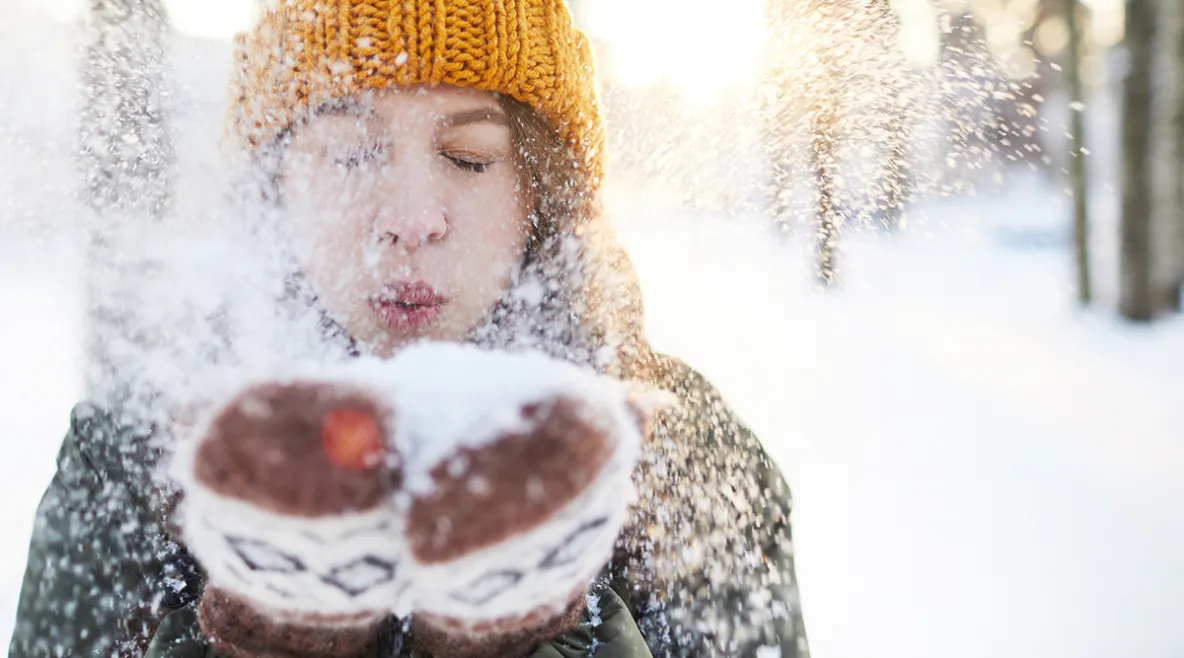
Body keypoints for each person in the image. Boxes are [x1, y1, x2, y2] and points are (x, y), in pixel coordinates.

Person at [8, 1, 809, 656]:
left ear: (543, 190)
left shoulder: (670, 449)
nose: (411, 221)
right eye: (353, 152)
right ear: (276, 187)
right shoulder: (137, 454)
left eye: (467, 157)